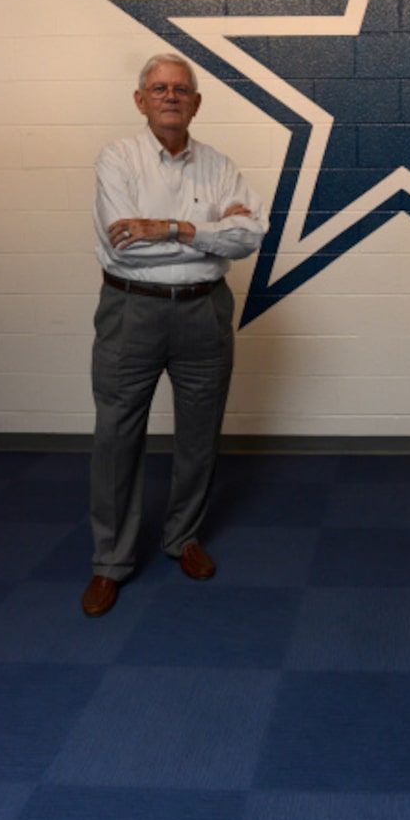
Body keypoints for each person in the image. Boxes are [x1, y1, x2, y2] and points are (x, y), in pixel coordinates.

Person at [81, 52, 266, 617]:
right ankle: (110, 562)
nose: (169, 96)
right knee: (117, 437)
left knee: (199, 434)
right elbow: (122, 245)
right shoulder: (118, 159)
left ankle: (181, 536)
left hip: (203, 313)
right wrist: (210, 232)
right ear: (141, 100)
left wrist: (169, 227)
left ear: (196, 102)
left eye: (180, 89)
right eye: (158, 88)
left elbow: (250, 235)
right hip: (130, 312)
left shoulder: (220, 166)